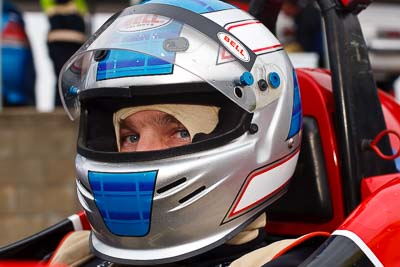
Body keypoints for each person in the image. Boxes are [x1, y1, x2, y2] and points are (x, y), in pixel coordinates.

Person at [53, 0, 328, 266]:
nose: (142, 151)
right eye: (131, 137)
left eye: (180, 131)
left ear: (266, 133)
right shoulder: (74, 256)